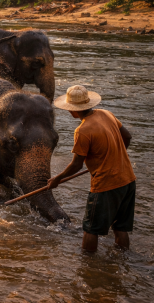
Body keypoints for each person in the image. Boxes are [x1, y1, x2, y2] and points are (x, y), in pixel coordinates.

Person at [48, 85, 135, 252]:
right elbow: (127, 137)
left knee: (90, 229)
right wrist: (116, 157)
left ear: (73, 110)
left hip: (106, 185)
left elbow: (76, 164)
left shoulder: (83, 131)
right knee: (121, 227)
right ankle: (123, 260)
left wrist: (57, 179)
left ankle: (87, 265)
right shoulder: (106, 114)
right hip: (128, 179)